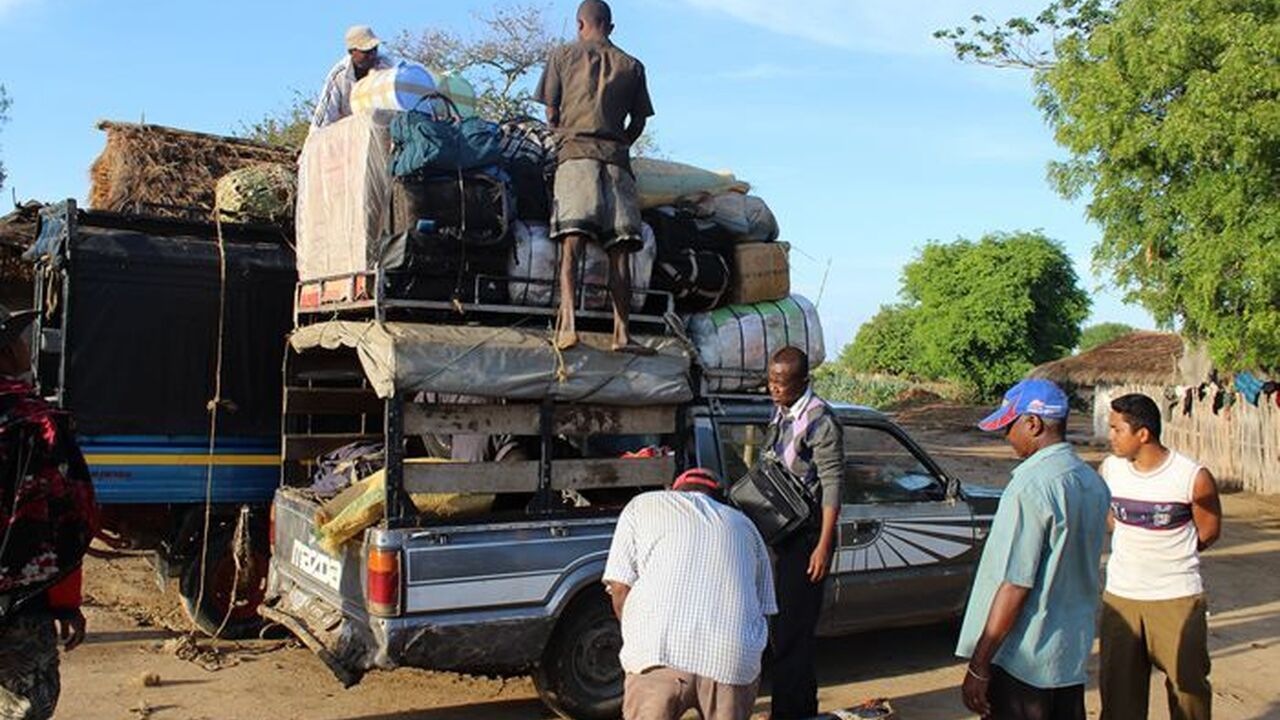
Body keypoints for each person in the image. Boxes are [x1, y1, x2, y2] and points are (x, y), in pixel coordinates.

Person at [956, 378, 1110, 720]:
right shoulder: (1091, 481)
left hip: (1022, 660)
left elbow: (1016, 583)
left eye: (1009, 426)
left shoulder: (1030, 485)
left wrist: (979, 665)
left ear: (1033, 423)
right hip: (1067, 656)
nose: (1006, 436)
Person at [603, 468, 776, 720]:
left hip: (657, 652)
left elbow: (620, 587)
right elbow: (764, 609)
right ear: (719, 498)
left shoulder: (642, 505)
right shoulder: (746, 525)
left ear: (674, 490)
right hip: (731, 660)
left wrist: (638, 636)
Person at [534, 0, 655, 353]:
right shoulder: (632, 65)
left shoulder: (562, 56)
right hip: (617, 164)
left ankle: (568, 327)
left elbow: (551, 112)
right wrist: (621, 143)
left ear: (579, 24)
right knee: (621, 252)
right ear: (610, 27)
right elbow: (639, 122)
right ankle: (622, 334)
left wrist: (562, 136)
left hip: (576, 159)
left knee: (572, 243)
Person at [0, 307, 97, 720]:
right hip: (17, 605)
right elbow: (66, 522)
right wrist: (64, 602)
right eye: (21, 340)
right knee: (27, 704)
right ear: (6, 352)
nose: (28, 348)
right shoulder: (35, 424)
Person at [1099, 393, 1220, 720]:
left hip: (1177, 598)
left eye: (1117, 429)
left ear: (1143, 434)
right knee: (1118, 696)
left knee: (1188, 692)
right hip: (1121, 598)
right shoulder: (1111, 469)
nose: (1110, 436)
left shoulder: (1192, 476)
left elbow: (1208, 530)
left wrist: (1171, 555)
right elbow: (1110, 517)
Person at [763, 346, 844, 720]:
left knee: (792, 635)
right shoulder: (780, 412)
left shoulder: (821, 420)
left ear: (803, 381)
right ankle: (801, 711)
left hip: (807, 539)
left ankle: (789, 713)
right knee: (785, 633)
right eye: (771, 380)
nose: (774, 388)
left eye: (781, 382)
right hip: (781, 535)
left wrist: (823, 545)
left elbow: (833, 484)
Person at [311, 25, 395, 129]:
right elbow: (322, 120)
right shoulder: (338, 76)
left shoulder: (386, 66)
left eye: (375, 49)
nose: (372, 55)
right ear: (351, 52)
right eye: (366, 51)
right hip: (348, 131)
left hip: (381, 126)